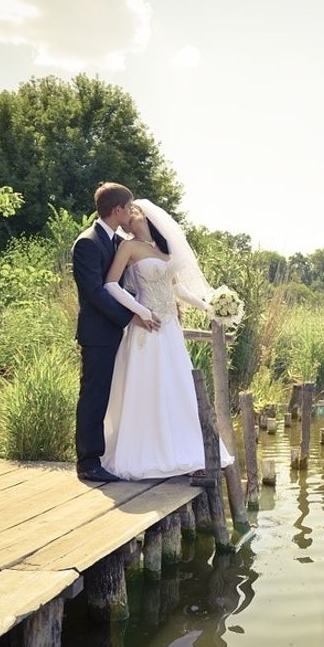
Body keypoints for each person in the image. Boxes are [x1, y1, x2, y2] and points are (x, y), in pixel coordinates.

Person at [99, 199, 235, 479]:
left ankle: (180, 449)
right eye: (126, 213)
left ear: (146, 218)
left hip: (170, 328)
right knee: (147, 386)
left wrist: (207, 307)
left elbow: (178, 289)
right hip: (147, 327)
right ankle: (147, 452)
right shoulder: (127, 246)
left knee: (176, 386)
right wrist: (140, 311)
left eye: (133, 213)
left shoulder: (163, 250)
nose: (128, 218)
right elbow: (111, 285)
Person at [71, 183, 161, 482]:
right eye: (129, 206)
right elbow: (95, 292)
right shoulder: (87, 242)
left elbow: (121, 285)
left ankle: (102, 455)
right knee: (93, 396)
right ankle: (87, 463)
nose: (132, 211)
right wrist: (131, 316)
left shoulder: (114, 240)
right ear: (118, 210)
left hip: (112, 332)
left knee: (105, 396)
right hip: (97, 334)